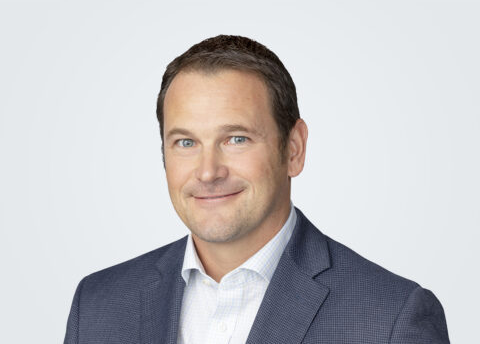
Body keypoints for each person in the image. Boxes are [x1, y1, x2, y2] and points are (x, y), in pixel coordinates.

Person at [64, 35, 450, 344]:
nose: (208, 171)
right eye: (185, 142)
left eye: (236, 139)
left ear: (294, 149)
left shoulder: (391, 319)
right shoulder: (98, 306)